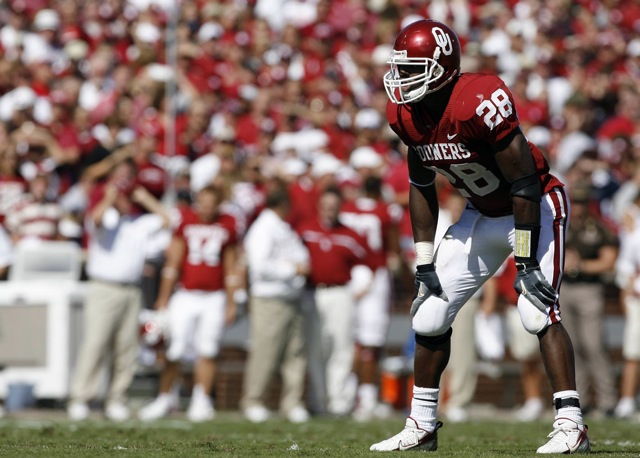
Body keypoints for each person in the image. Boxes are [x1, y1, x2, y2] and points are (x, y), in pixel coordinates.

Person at [370, 20, 589, 454]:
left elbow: (525, 183)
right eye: (400, 68)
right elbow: (421, 186)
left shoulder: (478, 99)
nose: (402, 79)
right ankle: (423, 424)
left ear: (442, 67)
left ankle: (571, 423)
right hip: (481, 212)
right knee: (428, 316)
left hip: (536, 207)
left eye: (414, 68)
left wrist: (525, 264)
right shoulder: (406, 114)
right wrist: (424, 260)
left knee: (535, 310)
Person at [67, 160, 171, 421]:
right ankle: (81, 397)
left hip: (131, 290)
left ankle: (117, 398)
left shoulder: (139, 222)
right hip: (104, 288)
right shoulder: (107, 218)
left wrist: (144, 197)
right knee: (96, 343)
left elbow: (167, 220)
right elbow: (97, 218)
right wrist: (109, 196)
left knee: (127, 348)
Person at [137, 185, 240, 422]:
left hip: (214, 296)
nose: (206, 207)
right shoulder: (186, 221)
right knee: (174, 347)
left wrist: (231, 302)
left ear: (218, 203)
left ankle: (201, 399)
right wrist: (163, 298)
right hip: (186, 293)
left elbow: (231, 267)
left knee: (208, 348)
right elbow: (173, 263)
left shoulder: (227, 224)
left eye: (211, 202)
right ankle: (165, 398)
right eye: (203, 201)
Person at [298, 186, 372, 416]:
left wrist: (362, 286)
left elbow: (369, 261)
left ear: (340, 207)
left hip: (340, 293)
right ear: (319, 205)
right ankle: (318, 401)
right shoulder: (305, 230)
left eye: (333, 205)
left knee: (341, 347)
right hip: (312, 293)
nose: (329, 209)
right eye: (326, 204)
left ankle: (338, 402)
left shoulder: (350, 234)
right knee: (315, 349)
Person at [240, 182, 311, 423]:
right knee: (266, 351)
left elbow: (302, 255)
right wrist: (292, 269)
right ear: (283, 204)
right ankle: (253, 400)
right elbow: (259, 267)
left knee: (295, 354)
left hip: (290, 298)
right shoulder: (262, 228)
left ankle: (292, 403)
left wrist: (298, 265)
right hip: (269, 299)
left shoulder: (284, 228)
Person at [562, 182, 619, 417]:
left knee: (594, 345)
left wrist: (580, 264)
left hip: (589, 289)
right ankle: (580, 400)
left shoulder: (599, 228)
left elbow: (609, 261)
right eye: (576, 202)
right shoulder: (561, 225)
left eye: (583, 202)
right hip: (564, 288)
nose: (579, 206)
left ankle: (608, 401)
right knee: (571, 347)